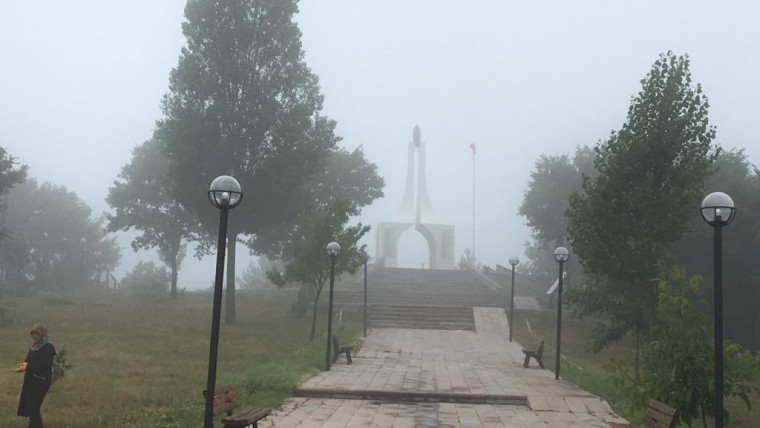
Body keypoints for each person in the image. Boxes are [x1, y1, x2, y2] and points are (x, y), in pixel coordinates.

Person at [16, 323, 56, 428]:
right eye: (32, 333)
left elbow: (42, 365)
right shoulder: (34, 346)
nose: (34, 336)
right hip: (31, 381)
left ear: (43, 334)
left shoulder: (48, 347)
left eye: (37, 333)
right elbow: (29, 361)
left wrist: (27, 367)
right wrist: (23, 365)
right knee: (32, 407)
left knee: (33, 406)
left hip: (41, 381)